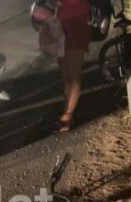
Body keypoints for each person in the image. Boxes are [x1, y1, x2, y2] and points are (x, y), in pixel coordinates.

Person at [55, 0, 91, 133]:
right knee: (66, 75)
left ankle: (68, 116)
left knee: (73, 74)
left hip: (77, 21)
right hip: (60, 22)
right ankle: (66, 109)